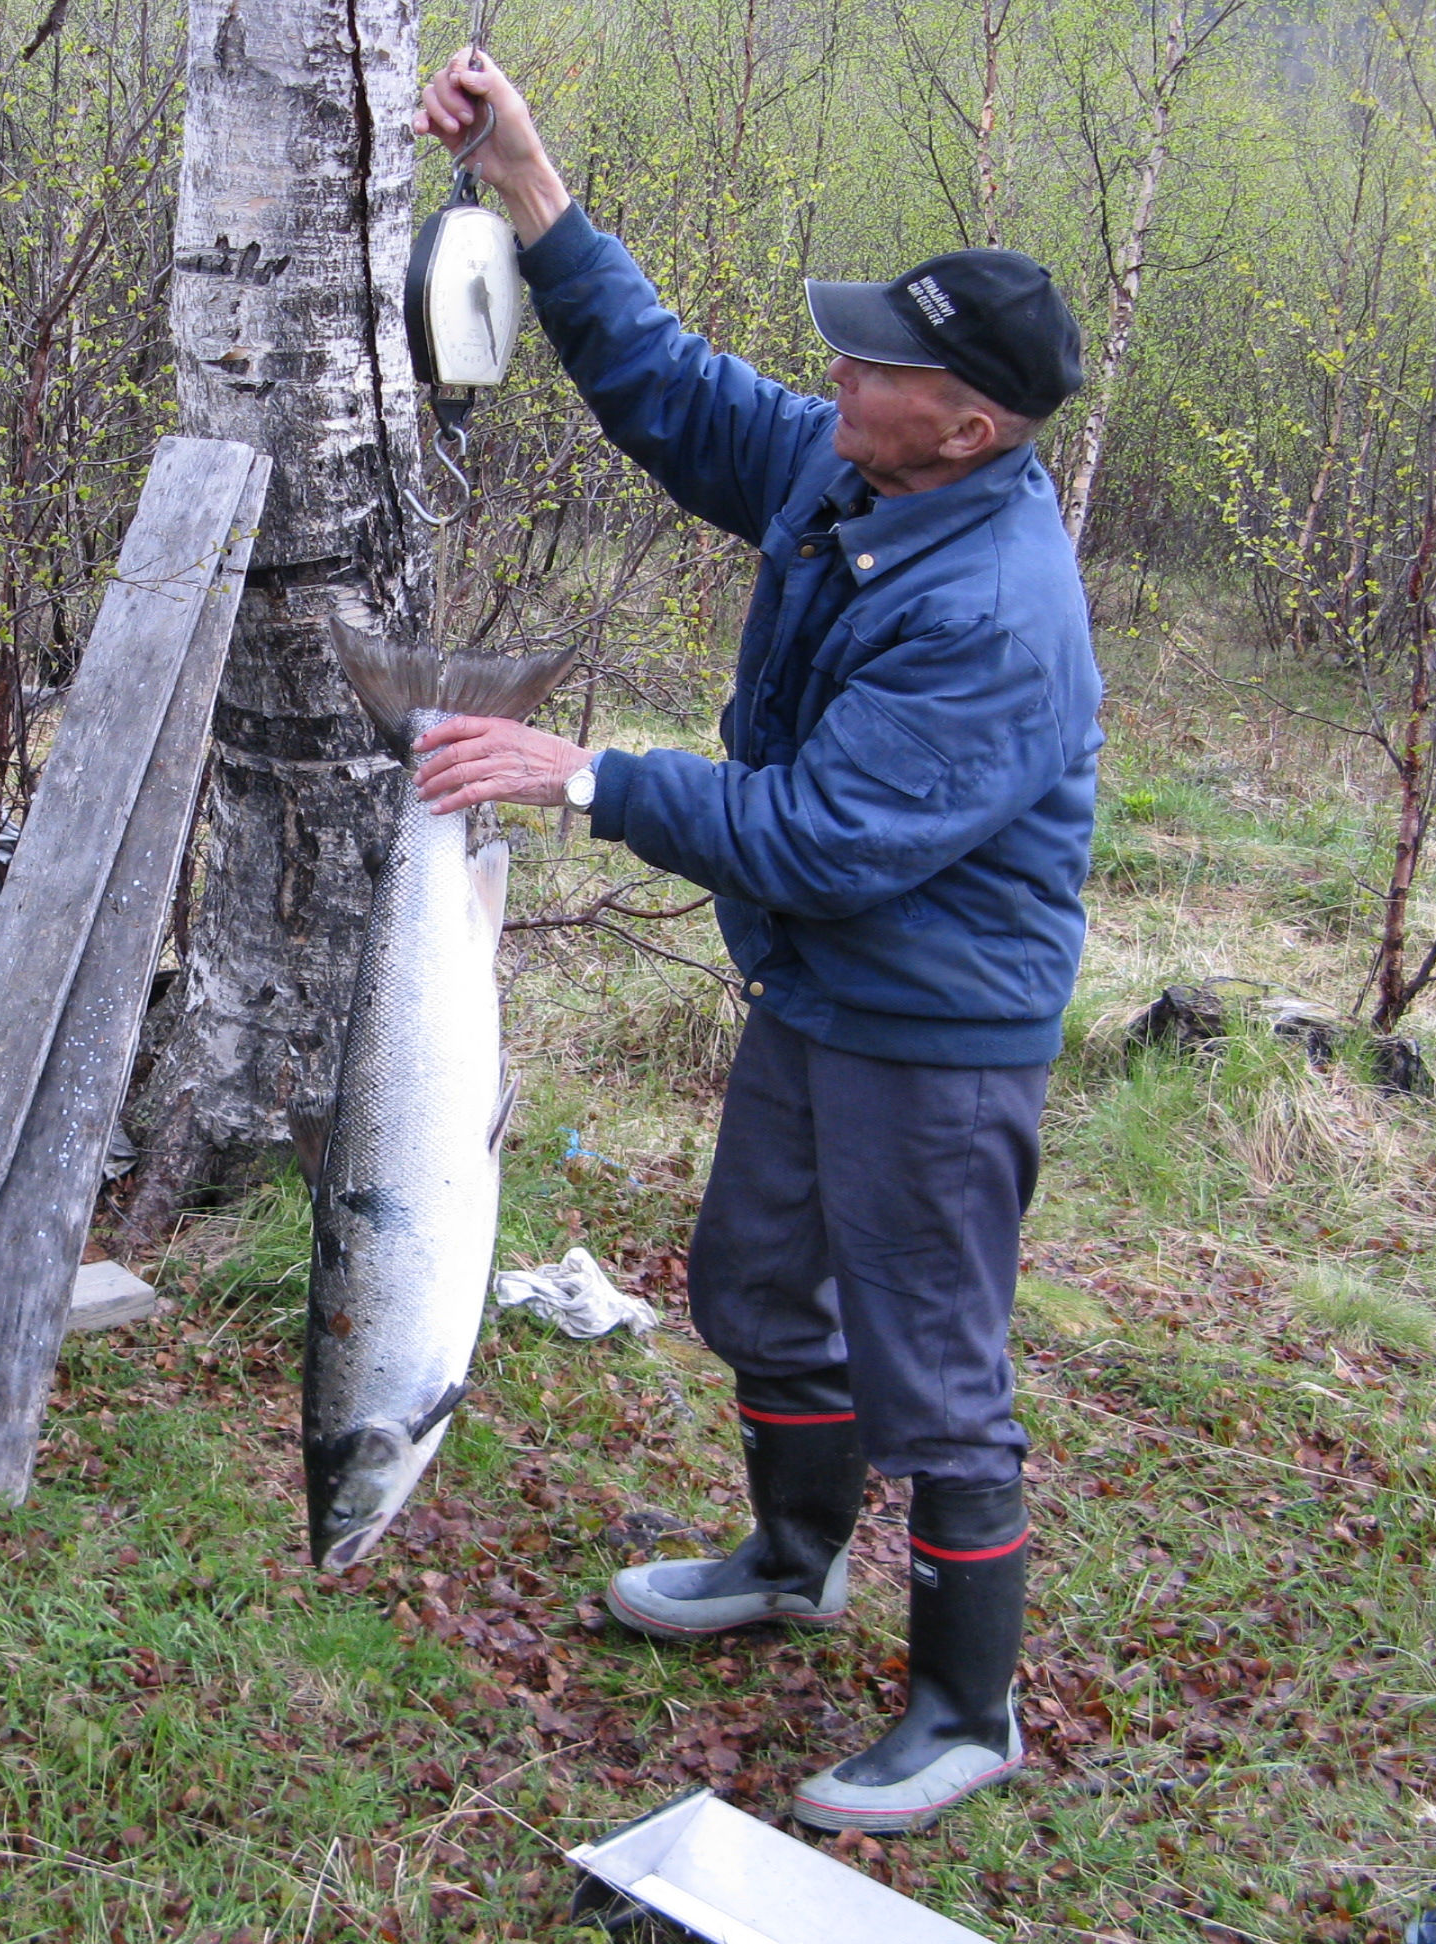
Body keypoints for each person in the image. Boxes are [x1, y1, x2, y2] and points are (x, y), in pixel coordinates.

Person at [406, 53, 1101, 1835]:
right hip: (819, 986)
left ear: (972, 425)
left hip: (936, 1028)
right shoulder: (860, 474)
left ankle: (967, 1707)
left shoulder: (994, 611)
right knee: (750, 1283)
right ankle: (798, 1557)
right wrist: (531, 190)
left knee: (936, 1370)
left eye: (883, 363)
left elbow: (827, 836)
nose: (842, 374)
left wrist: (586, 778)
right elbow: (672, 388)